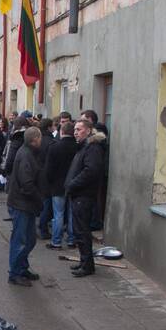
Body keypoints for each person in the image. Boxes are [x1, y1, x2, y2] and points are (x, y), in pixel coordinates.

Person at [65, 118, 107, 277]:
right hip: (78, 194)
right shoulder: (83, 146)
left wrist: (72, 184)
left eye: (79, 129)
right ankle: (84, 261)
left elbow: (91, 171)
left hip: (83, 196)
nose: (75, 132)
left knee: (82, 231)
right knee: (79, 231)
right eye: (75, 129)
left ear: (88, 131)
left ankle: (87, 265)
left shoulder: (92, 148)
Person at [7, 127, 44, 286]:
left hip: (25, 204)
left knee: (29, 240)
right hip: (21, 204)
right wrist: (39, 200)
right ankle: (15, 273)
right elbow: (26, 184)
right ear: (35, 139)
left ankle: (22, 268)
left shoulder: (29, 153)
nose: (41, 141)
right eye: (40, 138)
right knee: (20, 240)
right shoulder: (25, 155)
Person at [44, 119, 78, 249]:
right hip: (74, 185)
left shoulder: (55, 147)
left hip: (58, 185)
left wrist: (50, 182)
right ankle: (71, 240)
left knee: (58, 214)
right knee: (71, 214)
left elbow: (49, 169)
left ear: (62, 132)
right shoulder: (77, 147)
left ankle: (56, 241)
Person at [80, 109, 109, 231]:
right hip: (94, 169)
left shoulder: (98, 132)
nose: (82, 123)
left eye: (85, 120)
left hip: (98, 171)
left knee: (96, 197)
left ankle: (95, 221)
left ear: (91, 120)